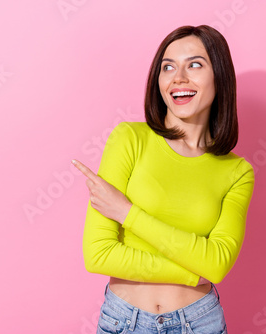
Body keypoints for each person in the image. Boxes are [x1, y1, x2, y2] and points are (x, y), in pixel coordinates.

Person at [72, 25, 254, 334]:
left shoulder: (237, 172)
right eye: (167, 67)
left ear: (219, 77)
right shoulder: (130, 138)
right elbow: (99, 254)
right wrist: (191, 271)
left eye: (194, 64)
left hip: (201, 322)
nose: (178, 77)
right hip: (123, 322)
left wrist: (127, 213)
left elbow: (218, 263)